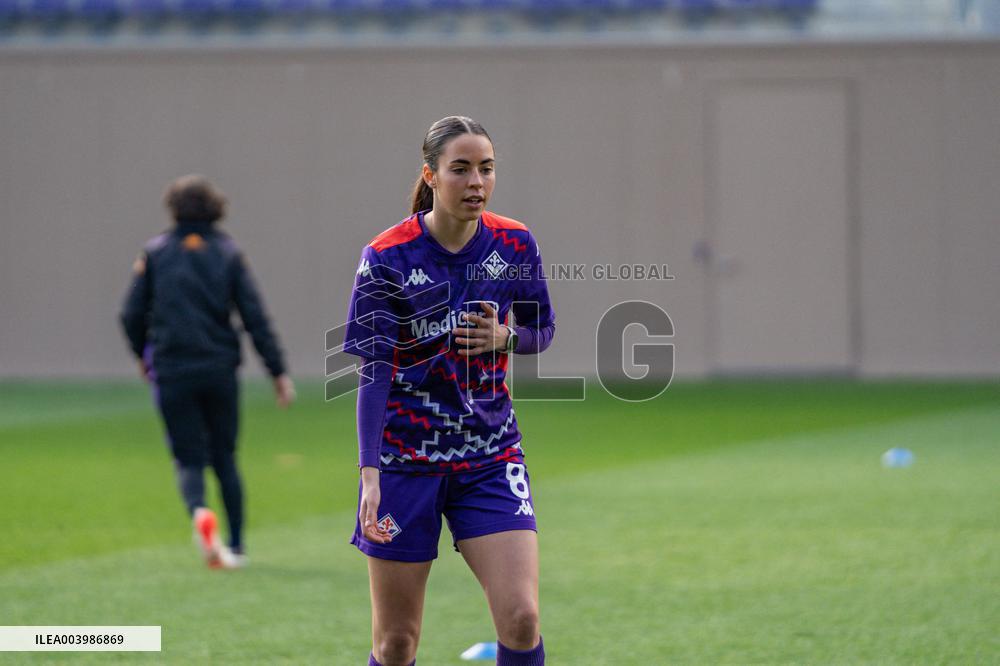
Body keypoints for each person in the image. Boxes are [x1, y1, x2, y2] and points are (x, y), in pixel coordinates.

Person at [343, 116, 554, 666]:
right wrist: (370, 472)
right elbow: (375, 370)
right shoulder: (387, 256)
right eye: (460, 169)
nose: (476, 182)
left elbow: (543, 330)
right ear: (431, 176)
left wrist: (508, 336)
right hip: (403, 465)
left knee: (522, 617)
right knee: (395, 643)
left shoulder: (515, 242)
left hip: (489, 456)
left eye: (485, 169)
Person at [120, 174, 295, 569]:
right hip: (218, 369)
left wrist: (142, 354)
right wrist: (277, 371)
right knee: (225, 457)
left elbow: (130, 313)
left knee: (188, 458)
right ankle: (235, 544)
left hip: (171, 368)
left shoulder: (155, 253)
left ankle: (200, 511)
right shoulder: (228, 253)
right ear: (217, 207)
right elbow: (254, 317)